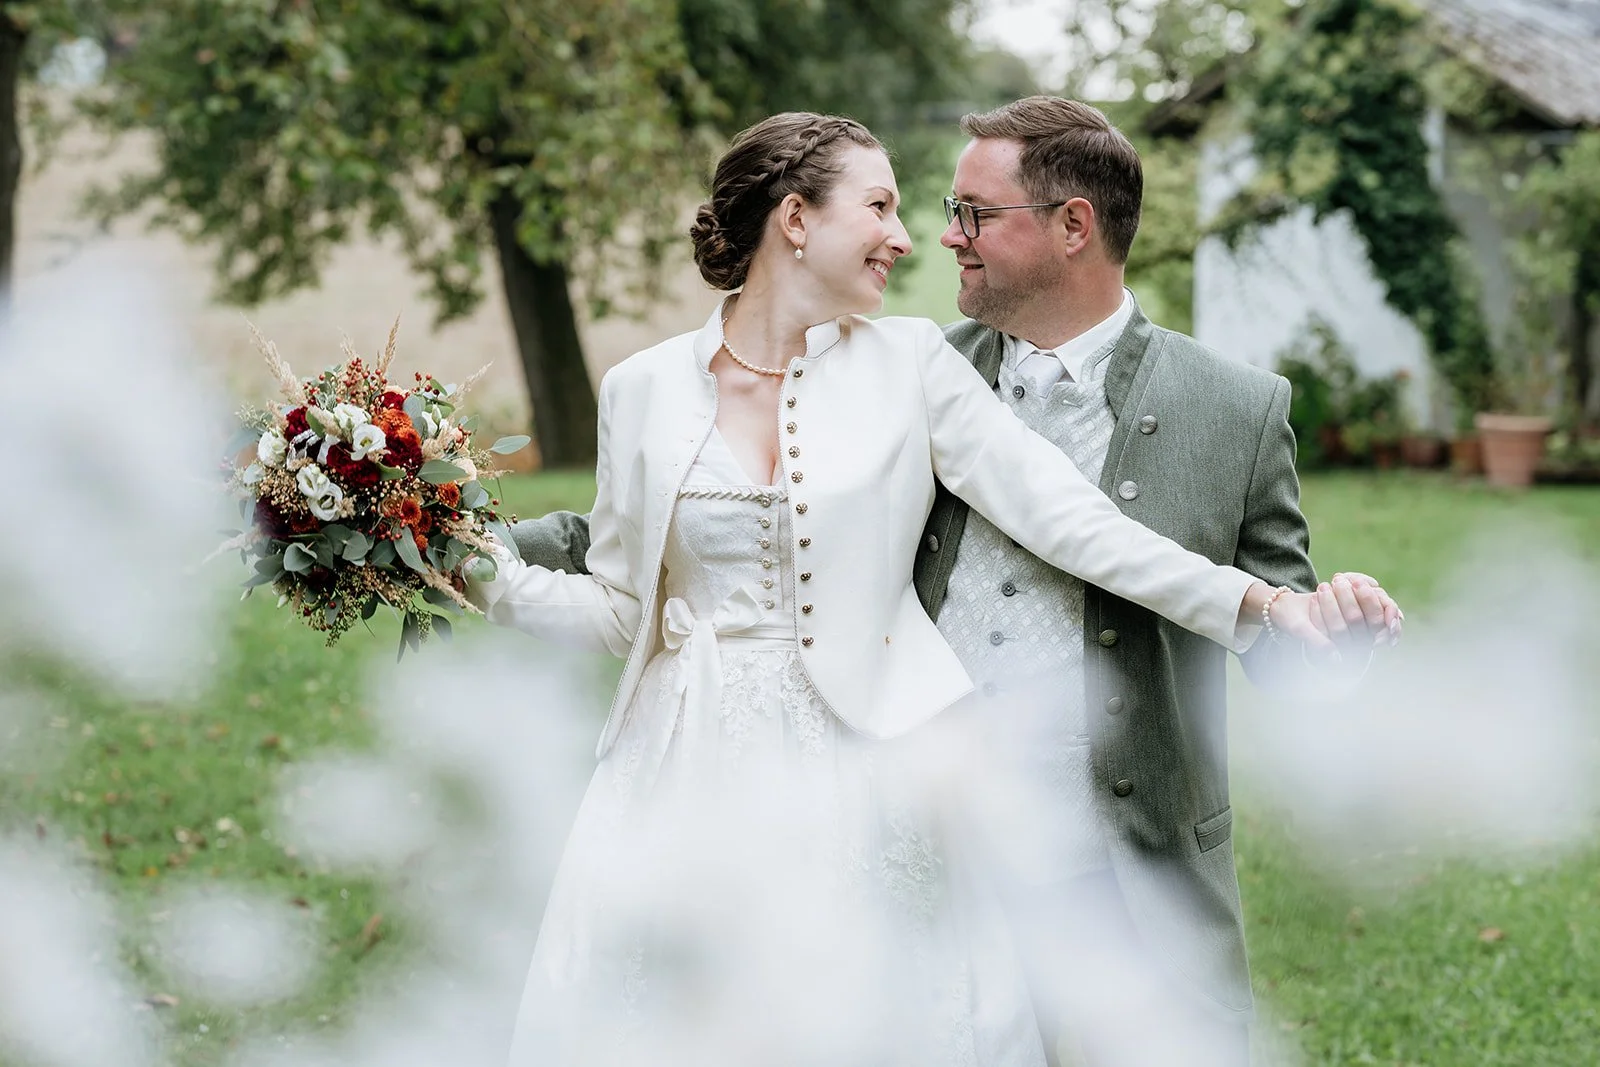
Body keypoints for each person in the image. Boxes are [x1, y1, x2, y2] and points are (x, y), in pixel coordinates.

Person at [482, 109, 1399, 1067]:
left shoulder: (920, 365)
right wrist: (462, 556)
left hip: (961, 799)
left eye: (963, 211)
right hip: (721, 763)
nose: (920, 234)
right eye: (887, 205)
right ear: (796, 219)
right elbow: (644, 575)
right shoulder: (651, 385)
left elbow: (1078, 524)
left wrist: (1271, 609)